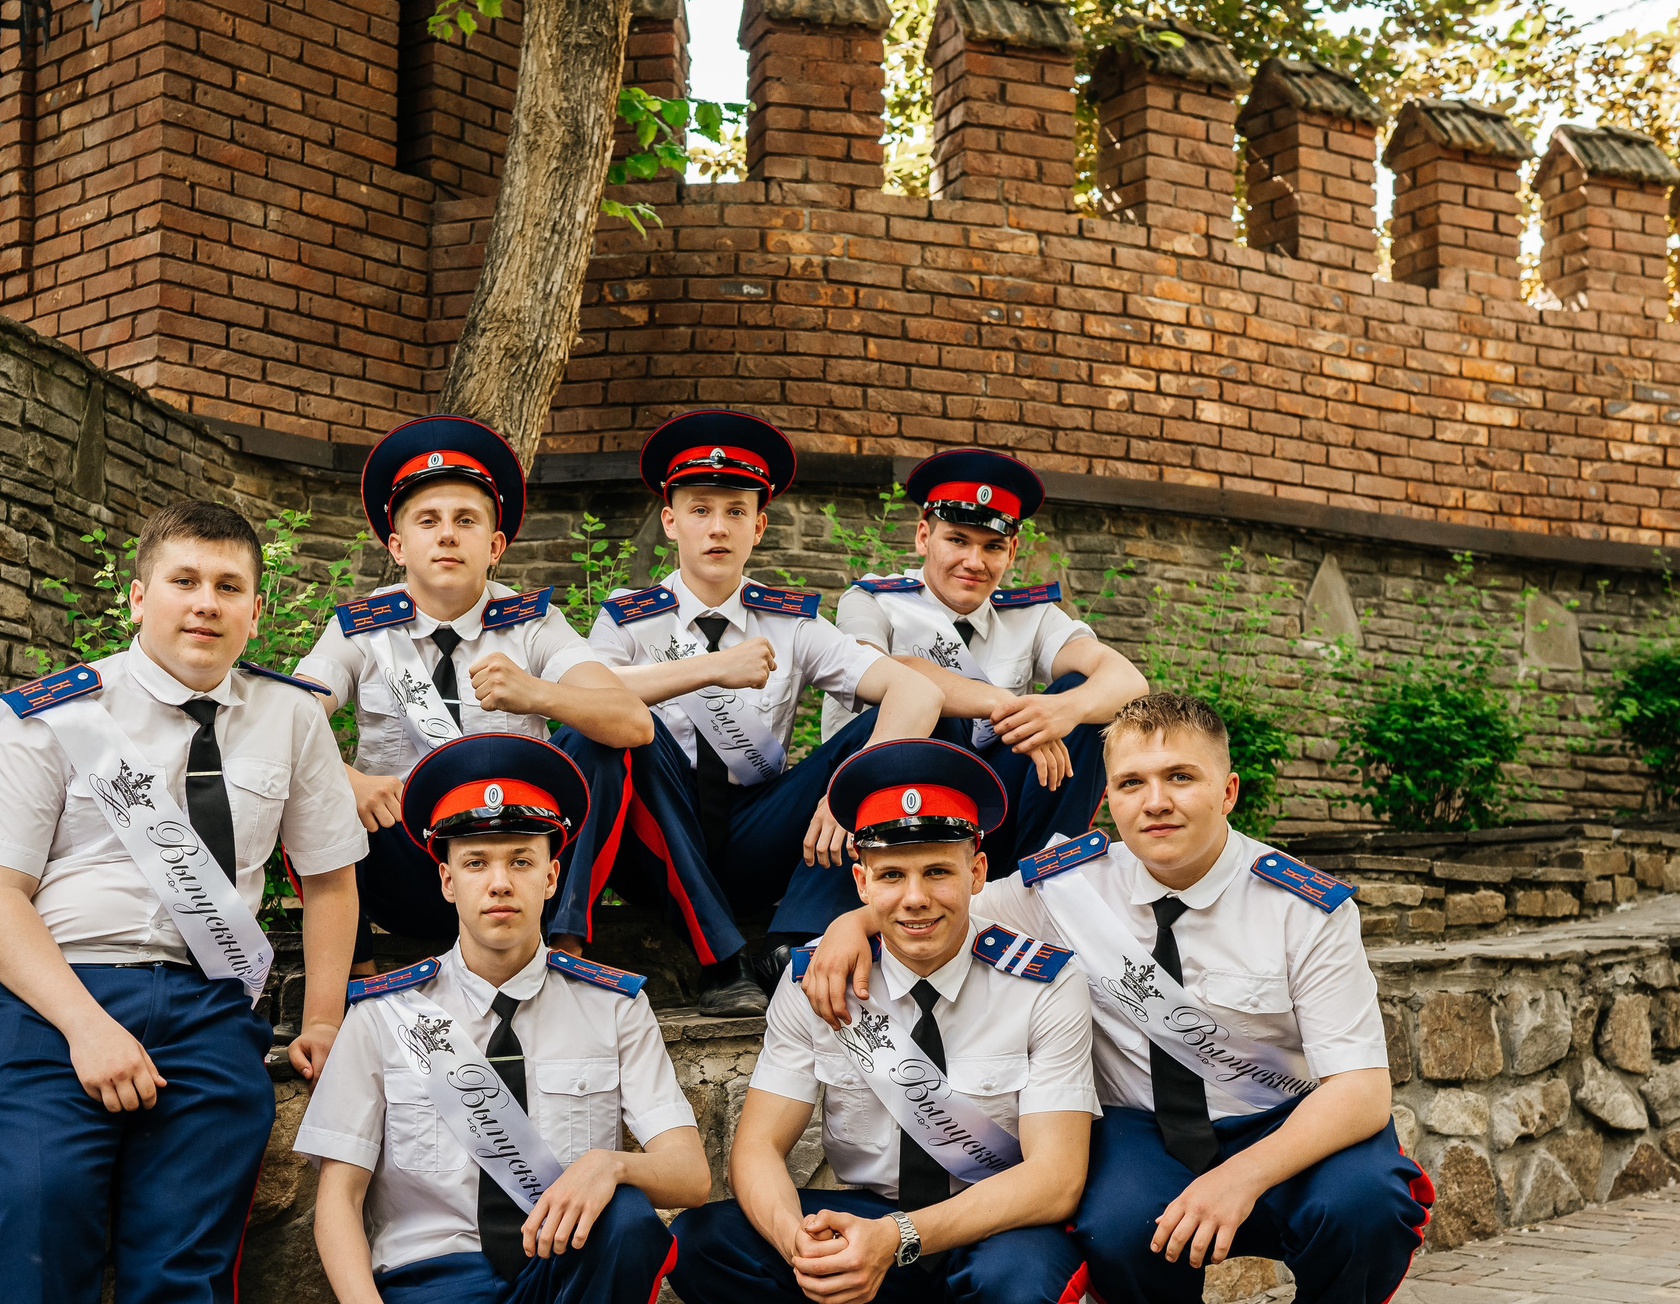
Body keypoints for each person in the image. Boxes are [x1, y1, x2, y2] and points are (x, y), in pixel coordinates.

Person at [0, 501, 367, 1304]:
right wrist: (86, 1027)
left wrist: (322, 1020)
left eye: (229, 587)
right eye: (184, 582)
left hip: (202, 1012)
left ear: (253, 606)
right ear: (139, 596)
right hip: (43, 1006)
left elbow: (327, 881)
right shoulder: (50, 715)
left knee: (188, 1271)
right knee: (34, 1250)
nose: (205, 605)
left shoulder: (289, 717)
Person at [799, 692, 1433, 1304]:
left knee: (1366, 1204)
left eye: (1181, 778)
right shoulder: (1067, 884)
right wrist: (850, 923)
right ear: (1109, 798)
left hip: (1291, 1123)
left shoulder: (1303, 906)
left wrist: (1239, 1178)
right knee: (1110, 1223)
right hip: (1148, 1128)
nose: (1155, 802)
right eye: (1132, 783)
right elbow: (940, 892)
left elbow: (1361, 1091)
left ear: (1227, 790)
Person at [293, 733, 710, 1304]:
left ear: (553, 873)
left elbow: (691, 1173)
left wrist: (615, 1162)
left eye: (521, 859)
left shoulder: (612, 1007)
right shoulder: (384, 1015)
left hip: (548, 1281)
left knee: (628, 1217)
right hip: (429, 1284)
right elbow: (336, 1200)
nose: (499, 882)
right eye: (477, 861)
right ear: (444, 878)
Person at [668, 739, 1098, 1304]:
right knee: (709, 1239)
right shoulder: (816, 984)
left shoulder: (1044, 985)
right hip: (869, 1224)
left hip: (990, 1231)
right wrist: (795, 1240)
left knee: (1021, 1282)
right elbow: (758, 1151)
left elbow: (1057, 1180)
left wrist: (893, 1238)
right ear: (860, 879)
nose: (915, 897)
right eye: (892, 875)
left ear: (977, 871)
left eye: (938, 870)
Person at [550, 410, 946, 1017]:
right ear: (671, 520)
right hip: (654, 845)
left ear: (758, 526)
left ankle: (790, 943)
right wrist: (710, 669)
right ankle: (716, 961)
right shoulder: (629, 616)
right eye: (701, 509)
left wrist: (848, 791)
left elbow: (918, 694)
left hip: (757, 835)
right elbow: (592, 695)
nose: (718, 527)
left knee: (891, 735)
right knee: (622, 726)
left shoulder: (791, 621)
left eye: (736, 511)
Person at [293, 415, 654, 962]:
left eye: (466, 520)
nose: (446, 535)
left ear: (495, 544)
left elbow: (633, 722)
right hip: (408, 863)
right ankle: (356, 969)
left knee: (603, 746)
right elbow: (285, 714)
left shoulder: (532, 622)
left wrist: (537, 694)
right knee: (300, 780)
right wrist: (346, 779)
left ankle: (566, 944)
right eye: (427, 520)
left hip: (516, 864)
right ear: (397, 544)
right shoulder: (361, 628)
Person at [826, 449, 1146, 871]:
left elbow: (1129, 682)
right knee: (934, 705)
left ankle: (1046, 878)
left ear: (1011, 552)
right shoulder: (874, 602)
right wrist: (1005, 703)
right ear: (924, 536)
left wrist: (1062, 711)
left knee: (1085, 703)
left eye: (992, 547)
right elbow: (878, 671)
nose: (974, 563)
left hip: (994, 806)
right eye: (957, 540)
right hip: (893, 807)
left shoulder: (1029, 615)